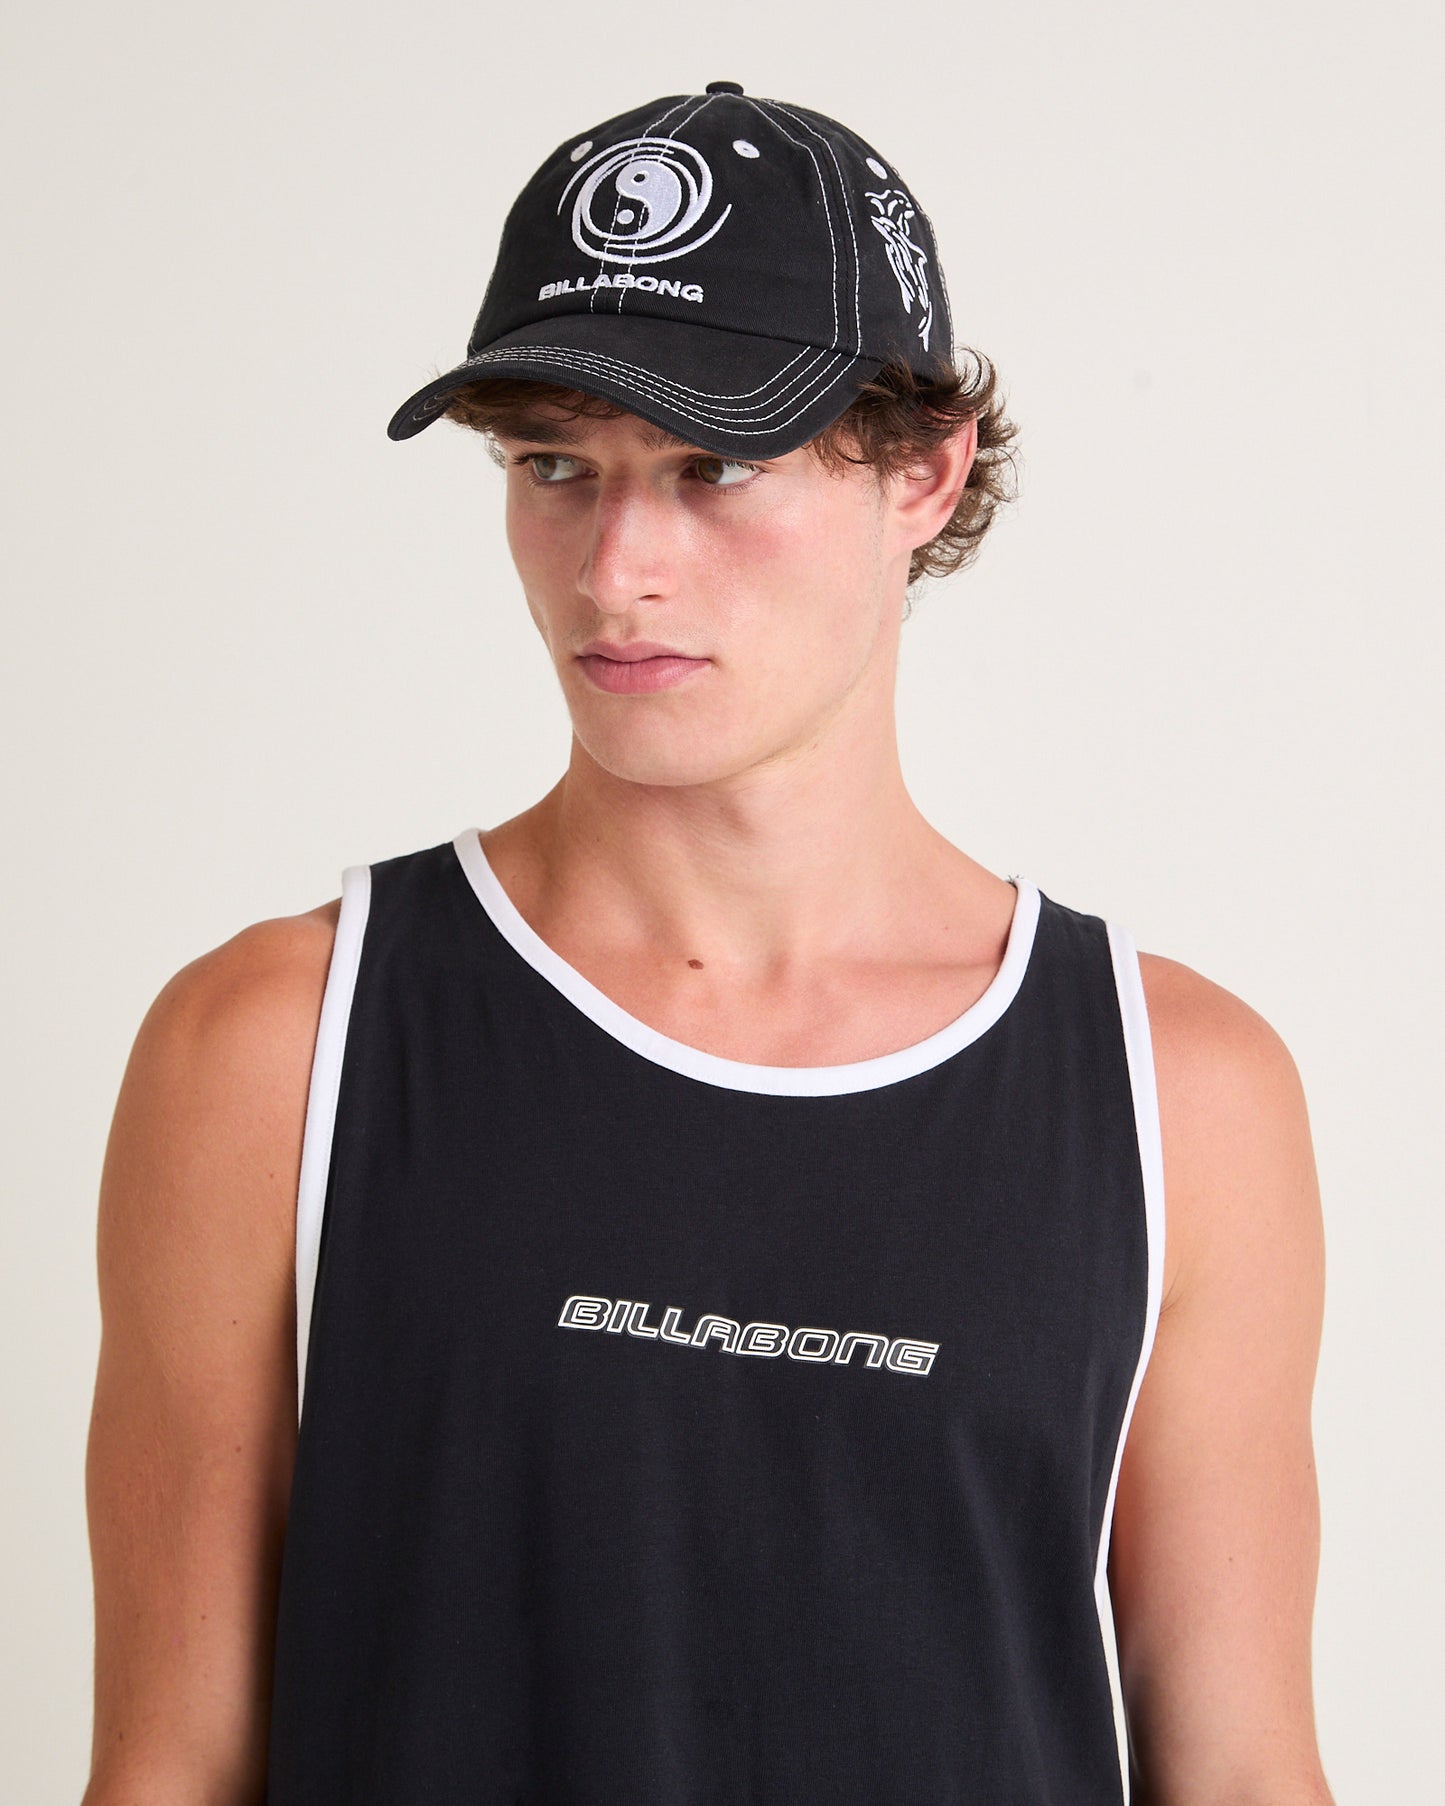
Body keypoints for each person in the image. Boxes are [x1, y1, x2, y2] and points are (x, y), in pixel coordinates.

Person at [82, 82, 1335, 1806]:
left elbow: (1245, 1769)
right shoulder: (278, 1045)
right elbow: (167, 1766)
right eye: (553, 466)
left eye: (714, 466)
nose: (617, 569)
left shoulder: (1173, 1097)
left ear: (924, 469)